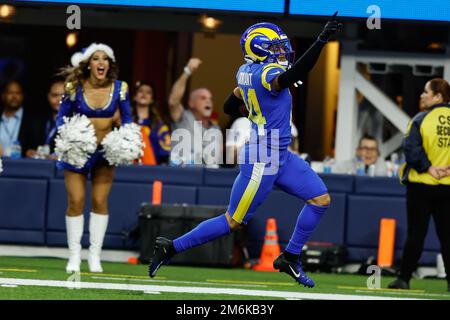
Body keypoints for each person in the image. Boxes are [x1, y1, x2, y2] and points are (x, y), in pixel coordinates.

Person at [148, 14, 342, 287]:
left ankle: (290, 256)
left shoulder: (246, 71)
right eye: (275, 48)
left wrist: (254, 107)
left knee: (320, 199)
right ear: (260, 50)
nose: (281, 52)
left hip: (281, 155)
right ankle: (171, 247)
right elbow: (295, 74)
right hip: (263, 156)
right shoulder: (265, 73)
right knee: (233, 221)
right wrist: (321, 40)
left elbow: (230, 104)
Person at [57, 43, 133, 273]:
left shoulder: (120, 88)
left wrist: (124, 140)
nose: (101, 63)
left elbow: (128, 120)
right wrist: (72, 138)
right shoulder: (73, 87)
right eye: (96, 59)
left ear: (110, 64)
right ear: (88, 63)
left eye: (105, 59)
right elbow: (61, 118)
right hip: (78, 152)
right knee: (76, 200)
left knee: (100, 201)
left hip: (104, 153)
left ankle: (94, 256)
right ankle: (74, 256)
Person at [389, 78, 450, 291]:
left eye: (426, 92)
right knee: (447, 237)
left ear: (438, 97)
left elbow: (411, 148)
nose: (422, 96)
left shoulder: (421, 119)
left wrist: (429, 168)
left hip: (421, 185)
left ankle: (404, 279)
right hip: (448, 186)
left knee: (416, 234)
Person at [168, 58, 221, 166]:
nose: (208, 101)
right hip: (182, 176)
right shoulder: (184, 117)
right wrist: (187, 71)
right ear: (191, 103)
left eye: (210, 98)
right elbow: (173, 101)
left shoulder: (216, 128)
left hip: (206, 179)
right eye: (203, 98)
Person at [0, 81, 45, 158]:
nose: (14, 96)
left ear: (23, 96)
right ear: (3, 95)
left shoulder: (33, 121)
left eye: (18, 93)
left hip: (22, 166)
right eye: (10, 93)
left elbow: (35, 148)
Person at [132, 81, 170, 165]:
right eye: (140, 91)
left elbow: (165, 155)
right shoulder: (127, 123)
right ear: (134, 96)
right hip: (129, 170)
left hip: (152, 171)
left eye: (148, 92)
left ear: (152, 99)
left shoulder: (160, 126)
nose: (144, 94)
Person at [39, 77, 65, 159]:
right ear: (48, 96)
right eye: (55, 95)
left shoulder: (76, 123)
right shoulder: (40, 120)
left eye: (63, 96)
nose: (59, 99)